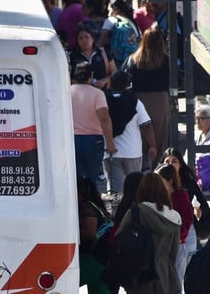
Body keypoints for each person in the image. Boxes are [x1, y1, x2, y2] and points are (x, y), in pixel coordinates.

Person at [77, 177, 130, 294]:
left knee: (59, 285)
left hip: (91, 261)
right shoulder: (93, 205)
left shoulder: (86, 208)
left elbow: (89, 233)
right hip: (102, 261)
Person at [156, 161, 196, 294]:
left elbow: (186, 221)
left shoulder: (181, 196)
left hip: (176, 247)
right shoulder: (158, 197)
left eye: (161, 181)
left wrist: (176, 237)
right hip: (159, 249)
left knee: (173, 291)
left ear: (170, 181)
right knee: (158, 291)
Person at [106, 71, 157, 195]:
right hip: (132, 152)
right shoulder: (135, 102)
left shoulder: (103, 101)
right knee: (135, 190)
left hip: (110, 151)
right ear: (127, 85)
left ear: (110, 84)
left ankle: (117, 213)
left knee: (115, 192)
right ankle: (135, 213)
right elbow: (146, 125)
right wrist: (152, 145)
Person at [124, 28, 171, 161]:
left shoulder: (133, 60)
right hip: (160, 101)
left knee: (139, 135)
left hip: (139, 100)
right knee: (160, 139)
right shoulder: (166, 60)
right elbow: (175, 80)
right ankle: (158, 168)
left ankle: (141, 168)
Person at [70, 61, 116, 192]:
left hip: (72, 139)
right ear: (91, 75)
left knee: (76, 179)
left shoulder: (66, 92)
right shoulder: (97, 94)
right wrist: (110, 142)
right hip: (93, 139)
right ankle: (91, 205)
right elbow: (104, 118)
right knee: (91, 180)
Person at [69, 23, 115, 92]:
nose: (84, 40)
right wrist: (84, 84)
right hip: (80, 95)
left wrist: (105, 80)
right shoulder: (72, 56)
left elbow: (114, 72)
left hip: (103, 93)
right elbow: (67, 78)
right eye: (80, 38)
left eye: (87, 37)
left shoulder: (103, 53)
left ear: (93, 39)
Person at [99, 0, 141, 68]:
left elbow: (101, 42)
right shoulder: (132, 23)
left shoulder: (111, 20)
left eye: (109, 10)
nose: (108, 14)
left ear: (116, 10)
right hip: (133, 59)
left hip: (117, 61)